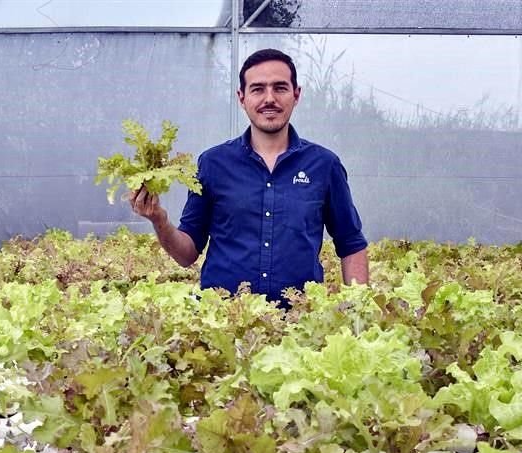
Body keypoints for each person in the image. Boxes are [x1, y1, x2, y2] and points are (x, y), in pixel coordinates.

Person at [130, 48, 368, 304]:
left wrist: (358, 311)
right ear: (241, 98)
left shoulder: (324, 165)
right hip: (224, 322)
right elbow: (187, 255)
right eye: (258, 89)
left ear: (296, 95)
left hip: (300, 323)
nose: (269, 99)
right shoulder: (212, 164)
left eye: (280, 88)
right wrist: (160, 220)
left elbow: (351, 244)